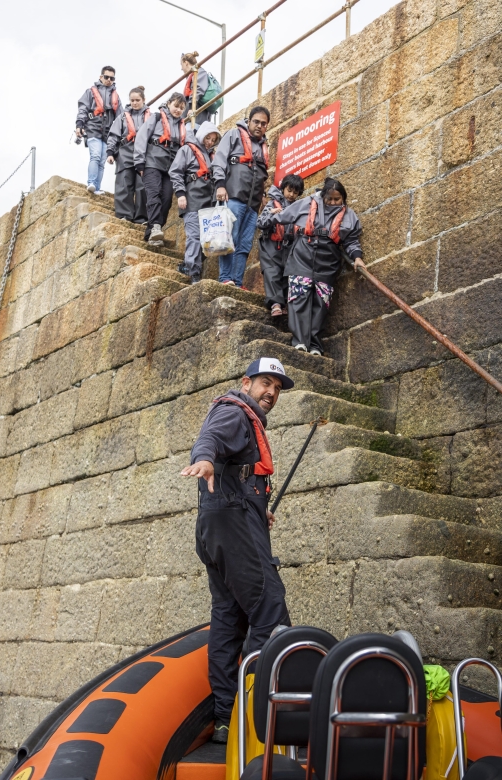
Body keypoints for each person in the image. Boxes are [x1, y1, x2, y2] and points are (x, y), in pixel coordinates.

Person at [181, 357, 294, 742]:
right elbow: (210, 440)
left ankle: (228, 718)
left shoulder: (245, 417)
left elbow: (239, 474)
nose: (272, 393)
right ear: (246, 383)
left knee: (229, 619)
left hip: (220, 524)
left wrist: (259, 508)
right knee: (270, 608)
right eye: (266, 383)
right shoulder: (234, 412)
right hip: (230, 524)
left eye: (277, 388)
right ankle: (257, 712)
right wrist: (204, 461)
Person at [269, 177, 366, 356]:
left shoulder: (349, 216)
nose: (333, 202)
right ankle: (300, 341)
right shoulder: (308, 203)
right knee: (299, 295)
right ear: (323, 196)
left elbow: (351, 241)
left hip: (328, 260)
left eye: (337, 199)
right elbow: (284, 215)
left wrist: (357, 258)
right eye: (330, 198)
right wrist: (272, 215)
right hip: (303, 253)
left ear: (343, 198)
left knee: (321, 301)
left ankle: (314, 344)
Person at [212, 106, 271, 288]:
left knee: (245, 244)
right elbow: (219, 161)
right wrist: (220, 185)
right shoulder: (234, 134)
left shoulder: (263, 146)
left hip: (252, 204)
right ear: (249, 121)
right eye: (256, 122)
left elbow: (260, 173)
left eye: (263, 124)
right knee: (229, 238)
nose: (259, 126)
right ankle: (225, 278)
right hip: (234, 197)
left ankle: (237, 281)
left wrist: (263, 197)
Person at [169, 121, 221, 284]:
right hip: (191, 199)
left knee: (209, 241)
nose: (210, 142)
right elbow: (175, 172)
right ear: (202, 135)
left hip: (209, 203)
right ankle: (194, 273)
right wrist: (180, 194)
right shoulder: (187, 150)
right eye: (208, 138)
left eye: (213, 140)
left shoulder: (213, 156)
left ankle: (188, 264)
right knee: (194, 236)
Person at [134, 92, 188, 245]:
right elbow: (141, 137)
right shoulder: (156, 118)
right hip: (152, 162)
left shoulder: (183, 126)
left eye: (181, 108)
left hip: (170, 167)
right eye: (176, 106)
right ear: (169, 103)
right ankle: (156, 228)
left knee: (167, 199)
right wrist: (139, 162)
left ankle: (152, 231)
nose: (178, 110)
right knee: (154, 193)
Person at [257, 174, 305, 316]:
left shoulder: (298, 208)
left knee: (287, 274)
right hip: (271, 245)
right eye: (289, 190)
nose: (291, 195)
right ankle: (275, 304)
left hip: (288, 246)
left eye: (295, 192)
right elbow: (260, 222)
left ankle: (284, 304)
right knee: (272, 272)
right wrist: (272, 215)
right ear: (283, 188)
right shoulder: (272, 204)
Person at [106, 86, 150, 224]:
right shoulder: (122, 117)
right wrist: (110, 152)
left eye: (137, 100)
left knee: (142, 186)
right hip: (125, 153)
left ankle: (141, 218)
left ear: (143, 100)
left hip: (144, 155)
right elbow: (113, 135)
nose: (135, 103)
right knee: (124, 184)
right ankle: (124, 215)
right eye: (132, 100)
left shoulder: (151, 117)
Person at [76, 66, 123, 195]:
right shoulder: (90, 92)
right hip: (93, 129)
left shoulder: (116, 97)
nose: (109, 80)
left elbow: (121, 117)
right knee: (95, 156)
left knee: (102, 162)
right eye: (106, 77)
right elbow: (83, 108)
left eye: (111, 78)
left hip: (107, 133)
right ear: (101, 77)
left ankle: (96, 188)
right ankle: (91, 183)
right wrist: (79, 124)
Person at [181, 52, 213, 126]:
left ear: (186, 63)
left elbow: (198, 90)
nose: (181, 68)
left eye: (181, 65)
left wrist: (192, 108)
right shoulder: (192, 75)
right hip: (190, 116)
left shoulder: (199, 72)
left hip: (198, 118)